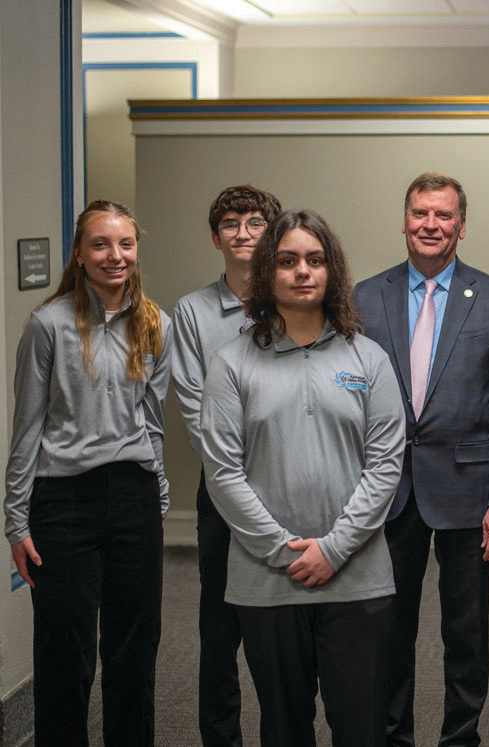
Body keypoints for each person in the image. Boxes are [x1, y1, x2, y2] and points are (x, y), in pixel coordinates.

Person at [200, 210, 405, 747]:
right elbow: (222, 471)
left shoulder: (369, 358)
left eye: (315, 260)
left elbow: (386, 465)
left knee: (361, 727)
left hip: (357, 578)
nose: (302, 272)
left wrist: (334, 549)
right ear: (269, 273)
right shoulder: (231, 364)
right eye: (287, 261)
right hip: (268, 583)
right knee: (284, 728)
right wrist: (282, 551)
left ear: (332, 271)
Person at [354, 172, 489, 747]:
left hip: (470, 494)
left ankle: (461, 737)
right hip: (386, 492)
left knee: (467, 632)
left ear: (460, 225)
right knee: (386, 630)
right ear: (405, 220)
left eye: (444, 216)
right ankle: (392, 735)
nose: (431, 225)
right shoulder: (364, 297)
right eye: (421, 214)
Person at [4, 200, 171, 745]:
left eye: (125, 244)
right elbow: (26, 427)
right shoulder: (48, 325)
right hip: (63, 501)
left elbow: (152, 421)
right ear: (79, 253)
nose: (114, 256)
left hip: (134, 497)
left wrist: (159, 495)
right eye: (100, 244)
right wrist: (16, 521)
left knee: (134, 647)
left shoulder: (155, 323)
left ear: (137, 249)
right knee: (64, 650)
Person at [170, 183, 282, 746]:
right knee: (219, 634)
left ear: (272, 233)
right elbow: (194, 408)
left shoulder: (296, 298)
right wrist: (238, 480)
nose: (243, 233)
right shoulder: (191, 312)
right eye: (232, 224)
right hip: (221, 496)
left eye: (256, 222)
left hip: (289, 494)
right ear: (216, 238)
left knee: (282, 635)